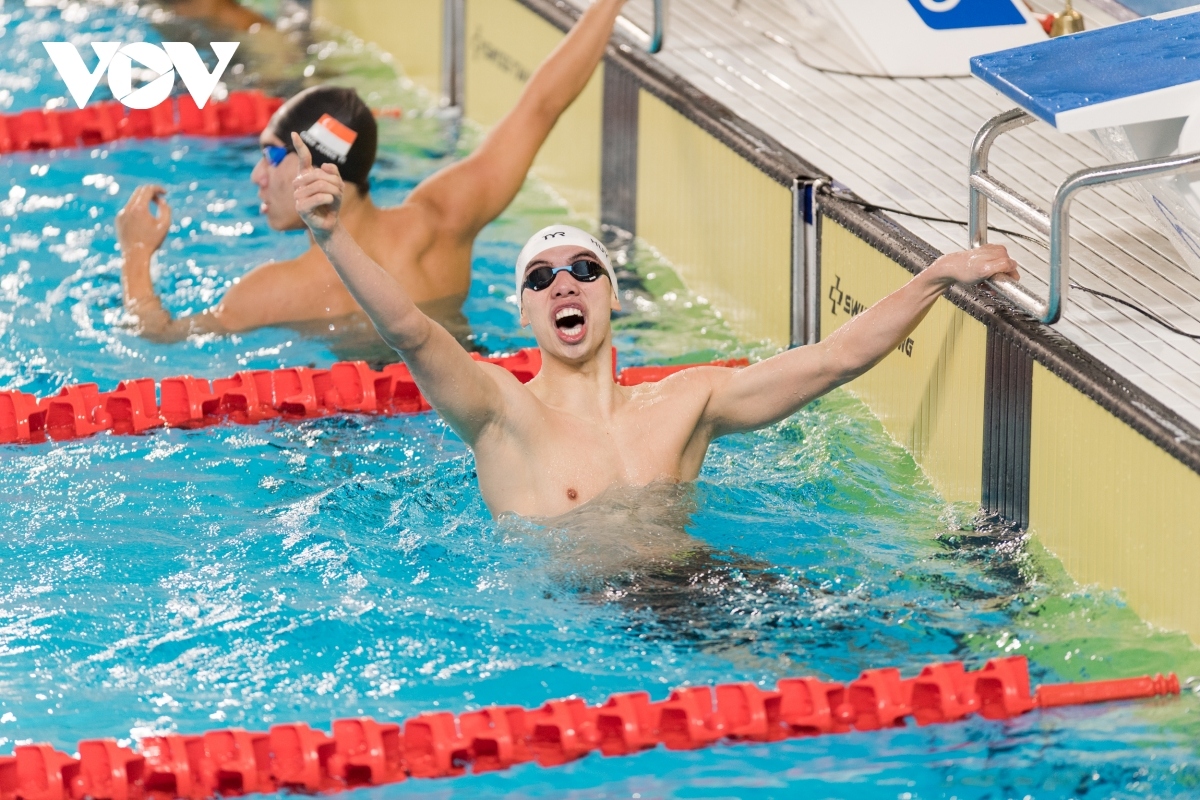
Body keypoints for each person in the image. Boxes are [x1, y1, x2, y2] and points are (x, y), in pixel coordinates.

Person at [288, 131, 1022, 519]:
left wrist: (932, 279)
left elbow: (831, 360)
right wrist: (331, 237)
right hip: (584, 624)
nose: (563, 283)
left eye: (583, 271)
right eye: (542, 278)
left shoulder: (686, 403)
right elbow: (412, 332)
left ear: (611, 296)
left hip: (698, 592)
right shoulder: (499, 411)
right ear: (525, 310)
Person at [116, 0, 631, 346]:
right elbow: (541, 104)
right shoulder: (442, 221)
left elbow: (158, 334)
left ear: (319, 164)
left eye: (271, 157)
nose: (256, 176)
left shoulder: (276, 289)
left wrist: (136, 254)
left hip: (364, 430)